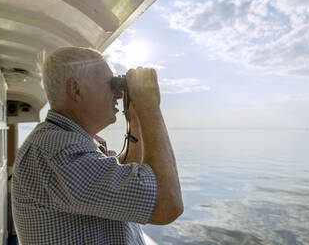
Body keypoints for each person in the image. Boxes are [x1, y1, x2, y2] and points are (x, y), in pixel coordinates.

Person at [11, 47, 183, 245]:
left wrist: (135, 119)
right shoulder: (58, 151)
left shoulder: (71, 141)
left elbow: (127, 175)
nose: (119, 93)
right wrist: (150, 107)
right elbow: (166, 204)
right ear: (76, 89)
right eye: (111, 84)